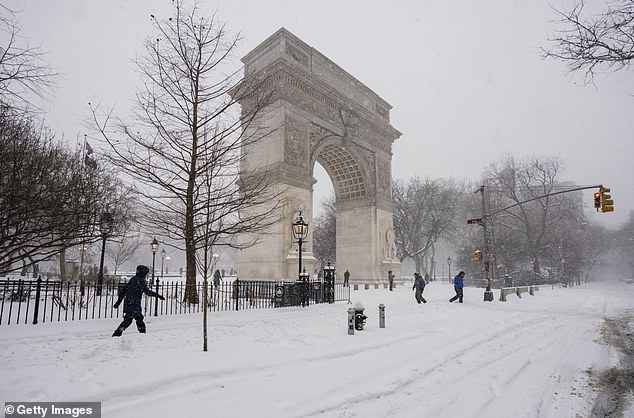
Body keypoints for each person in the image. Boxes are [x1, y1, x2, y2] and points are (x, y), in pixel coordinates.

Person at [112, 265, 165, 337]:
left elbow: (124, 291)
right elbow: (147, 292)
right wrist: (158, 295)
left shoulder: (133, 279)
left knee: (129, 319)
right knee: (137, 319)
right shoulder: (140, 280)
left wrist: (118, 302)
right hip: (135, 303)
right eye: (146, 273)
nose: (146, 275)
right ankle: (142, 335)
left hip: (128, 302)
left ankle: (117, 333)